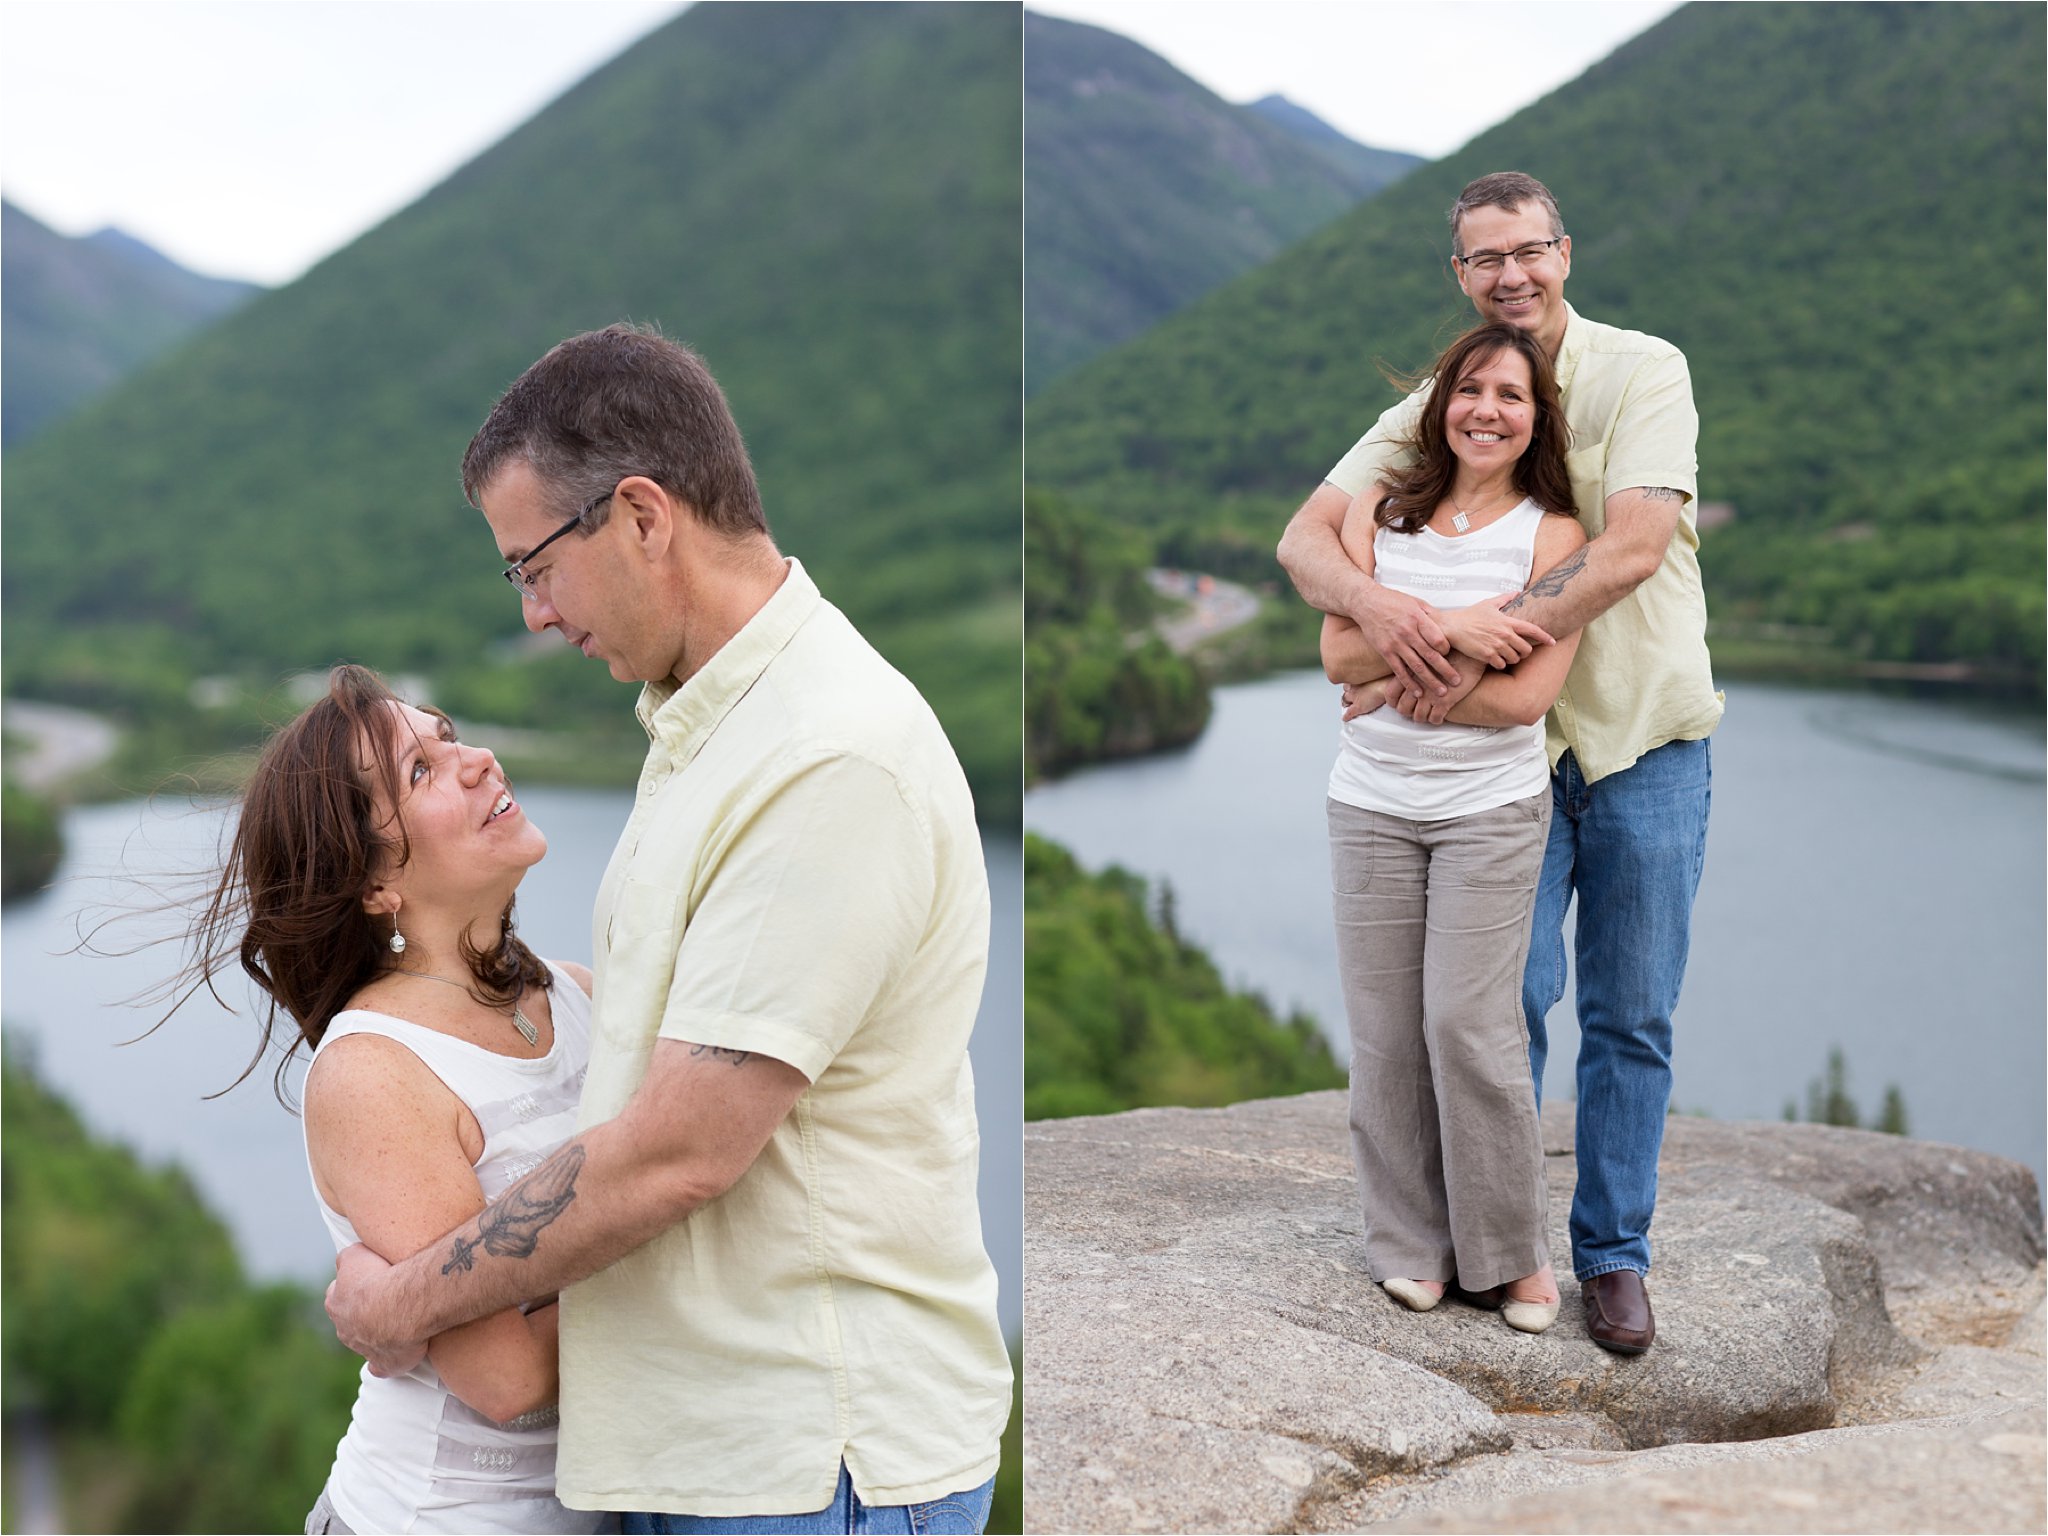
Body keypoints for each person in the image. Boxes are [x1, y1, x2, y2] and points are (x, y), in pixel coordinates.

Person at [324, 324, 1011, 1534]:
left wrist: (398, 1308)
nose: (533, 613)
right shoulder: (710, 725)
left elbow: (682, 1148)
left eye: (532, 564)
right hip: (719, 1456)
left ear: (641, 518)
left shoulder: (822, 755)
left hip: (808, 1460)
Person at [1279, 171, 1720, 1354]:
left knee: (1629, 1017)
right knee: (1486, 1012)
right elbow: (1300, 540)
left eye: (1526, 251)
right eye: (1483, 259)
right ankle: (1491, 1249)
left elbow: (1630, 545)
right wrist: (1397, 616)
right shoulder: (1452, 389)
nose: (1508, 275)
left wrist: (1431, 654)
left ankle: (1612, 1258)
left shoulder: (1643, 371)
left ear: (1562, 253)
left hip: (1635, 741)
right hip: (1505, 769)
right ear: (1459, 274)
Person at [179, 663, 603, 1534]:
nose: (478, 758)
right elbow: (509, 1383)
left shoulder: (581, 995)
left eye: (447, 737)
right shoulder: (376, 1072)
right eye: (421, 772)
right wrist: (667, 1250)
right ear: (375, 887)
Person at [1320, 321, 1584, 1334]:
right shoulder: (1385, 515)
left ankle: (1509, 1257)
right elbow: (1337, 656)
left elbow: (1527, 703)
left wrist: (1400, 666)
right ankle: (1408, 1245)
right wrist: (1461, 631)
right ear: (1441, 404)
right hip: (1370, 806)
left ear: (1534, 419)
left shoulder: (1552, 537)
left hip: (1488, 812)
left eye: (1509, 396)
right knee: (1385, 1038)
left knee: (1466, 1029)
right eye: (1469, 389)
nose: (1485, 409)